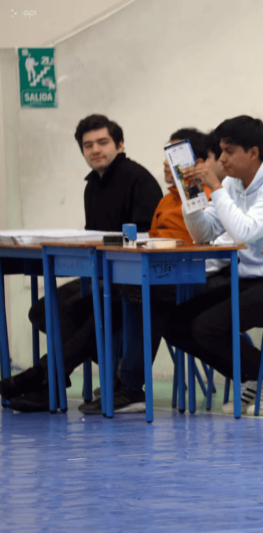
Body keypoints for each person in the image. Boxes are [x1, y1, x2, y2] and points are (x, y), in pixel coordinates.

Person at [0, 114, 163, 412]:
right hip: (101, 275)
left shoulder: (138, 179)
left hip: (134, 281)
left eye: (102, 142)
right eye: (88, 145)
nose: (95, 150)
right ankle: (56, 379)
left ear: (120, 144)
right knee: (42, 311)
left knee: (84, 315)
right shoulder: (92, 185)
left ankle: (46, 380)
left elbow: (147, 236)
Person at [155, 116, 263, 416]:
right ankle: (254, 375)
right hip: (252, 280)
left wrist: (216, 187)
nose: (222, 159)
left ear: (253, 152)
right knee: (175, 324)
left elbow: (245, 231)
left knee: (208, 326)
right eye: (220, 151)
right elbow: (204, 233)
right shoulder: (233, 182)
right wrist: (192, 195)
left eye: (229, 151)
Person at [78, 127, 215, 415]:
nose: (167, 163)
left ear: (199, 162)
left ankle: (130, 386)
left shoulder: (204, 195)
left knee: (143, 295)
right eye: (167, 155)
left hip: (193, 279)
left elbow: (202, 240)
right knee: (119, 291)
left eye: (175, 156)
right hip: (161, 274)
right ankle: (120, 381)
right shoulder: (166, 200)